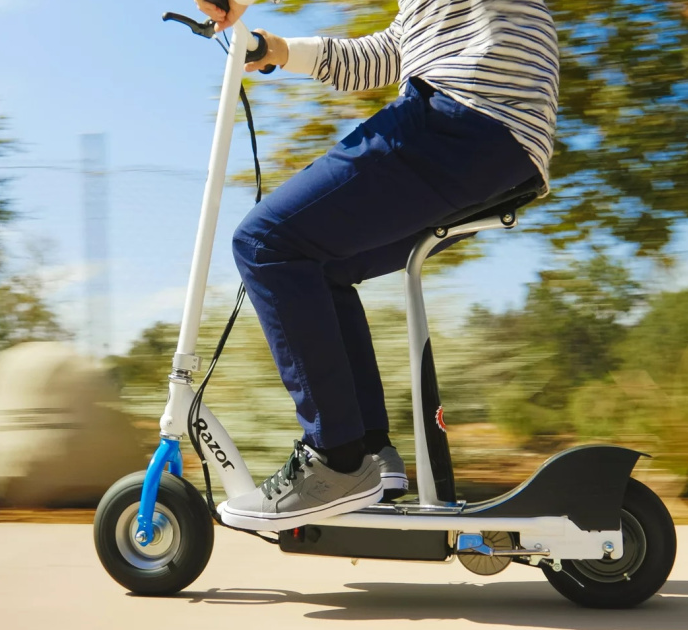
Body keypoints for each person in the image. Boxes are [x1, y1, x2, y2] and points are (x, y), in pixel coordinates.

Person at [194, 0, 558, 531]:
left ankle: (334, 460)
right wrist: (277, 50)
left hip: (462, 113)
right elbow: (385, 55)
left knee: (264, 241)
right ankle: (367, 455)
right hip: (499, 144)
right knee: (321, 266)